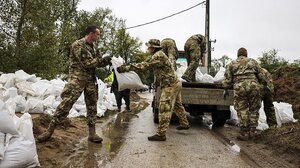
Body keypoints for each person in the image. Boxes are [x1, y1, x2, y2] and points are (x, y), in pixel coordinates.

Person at [37, 25, 112, 143]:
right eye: (98, 34)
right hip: (77, 80)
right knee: (66, 104)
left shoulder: (94, 47)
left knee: (92, 106)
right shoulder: (78, 45)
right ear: (91, 33)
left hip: (90, 81)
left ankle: (92, 134)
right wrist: (101, 60)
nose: (99, 36)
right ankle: (49, 132)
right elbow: (87, 63)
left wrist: (106, 61)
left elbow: (97, 63)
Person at [117, 39, 190, 141]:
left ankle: (161, 134)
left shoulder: (158, 55)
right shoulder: (157, 55)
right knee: (178, 105)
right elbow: (146, 62)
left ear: (153, 48)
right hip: (175, 83)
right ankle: (184, 123)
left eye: (149, 47)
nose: (147, 49)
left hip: (170, 85)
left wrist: (126, 68)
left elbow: (144, 66)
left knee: (164, 107)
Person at [222, 47, 267, 141]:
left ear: (238, 55)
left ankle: (244, 132)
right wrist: (263, 85)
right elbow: (262, 76)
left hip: (240, 87)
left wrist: (225, 89)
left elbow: (227, 79)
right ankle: (253, 131)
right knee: (254, 108)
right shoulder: (253, 62)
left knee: (242, 109)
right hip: (253, 86)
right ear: (246, 54)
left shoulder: (232, 64)